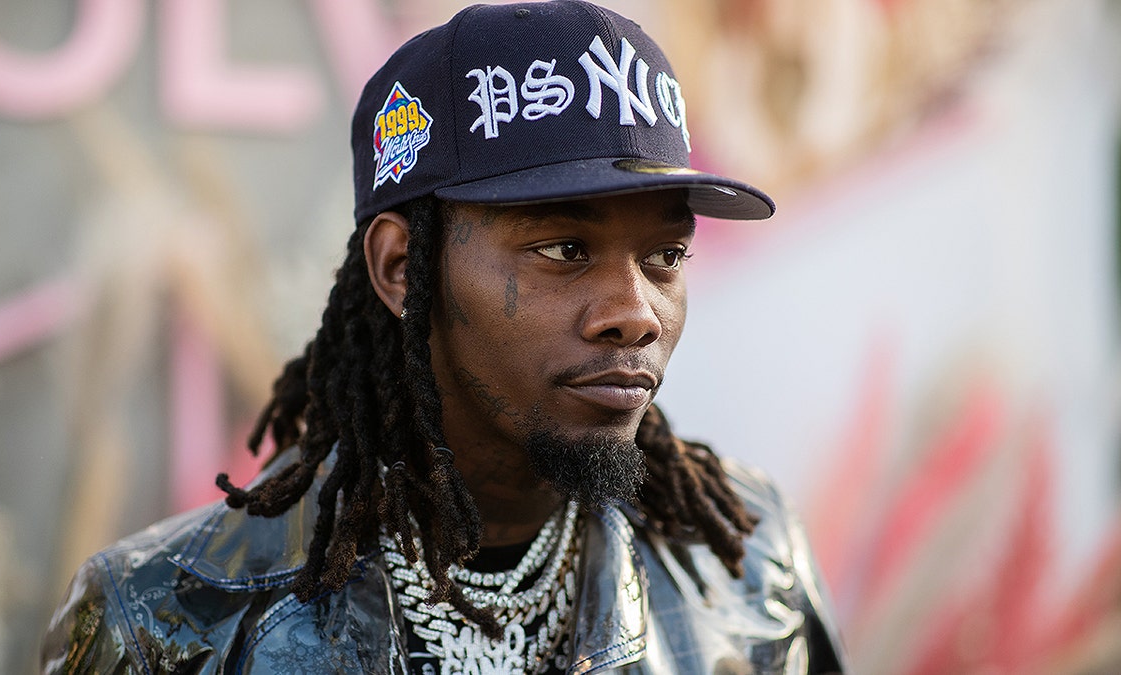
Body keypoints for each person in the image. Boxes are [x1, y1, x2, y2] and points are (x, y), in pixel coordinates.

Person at [42, 1, 846, 673]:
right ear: (401, 269)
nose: (636, 311)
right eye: (564, 249)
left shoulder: (747, 564)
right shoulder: (167, 622)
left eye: (666, 254)